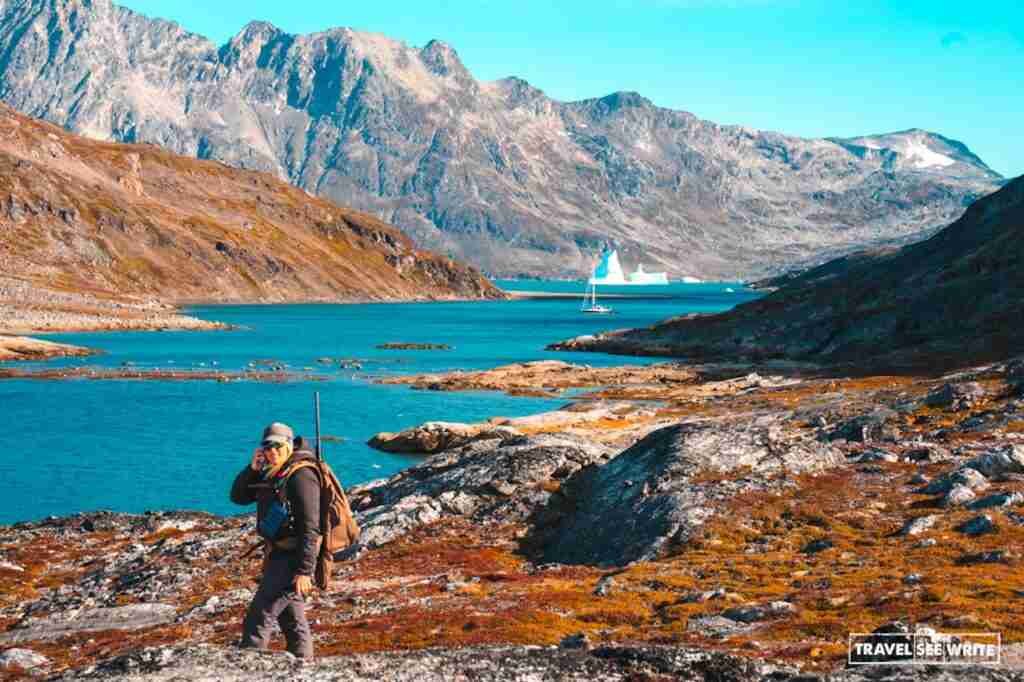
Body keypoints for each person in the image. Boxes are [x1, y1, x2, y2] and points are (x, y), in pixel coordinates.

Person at [230, 422, 321, 659]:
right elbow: (238, 497)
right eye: (267, 447)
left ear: (289, 445)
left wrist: (304, 571)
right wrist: (253, 468)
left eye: (277, 446)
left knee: (260, 616)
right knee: (291, 618)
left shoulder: (301, 475)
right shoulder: (272, 471)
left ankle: (247, 665)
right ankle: (304, 667)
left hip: (292, 558)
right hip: (278, 554)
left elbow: (310, 528)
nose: (272, 452)